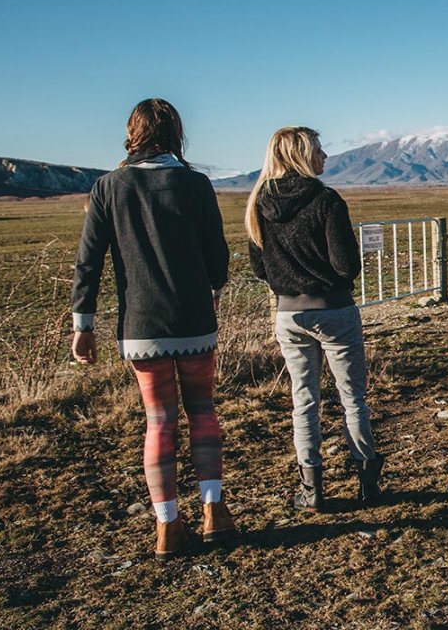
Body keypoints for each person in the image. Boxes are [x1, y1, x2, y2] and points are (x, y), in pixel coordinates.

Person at [71, 98, 236, 560]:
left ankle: (167, 526)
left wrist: (83, 324)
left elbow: (88, 261)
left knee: (159, 421)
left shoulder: (108, 187)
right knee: (202, 412)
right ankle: (214, 511)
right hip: (194, 320)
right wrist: (213, 285)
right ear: (175, 133)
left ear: (133, 133)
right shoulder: (196, 185)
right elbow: (217, 255)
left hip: (142, 326)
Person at [245, 126, 385, 513]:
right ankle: (367, 482)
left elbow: (259, 266)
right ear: (302, 155)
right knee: (352, 398)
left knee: (303, 401)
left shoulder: (259, 203)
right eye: (319, 150)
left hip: (289, 313)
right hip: (334, 310)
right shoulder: (326, 200)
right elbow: (346, 265)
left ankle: (311, 489)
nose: (324, 156)